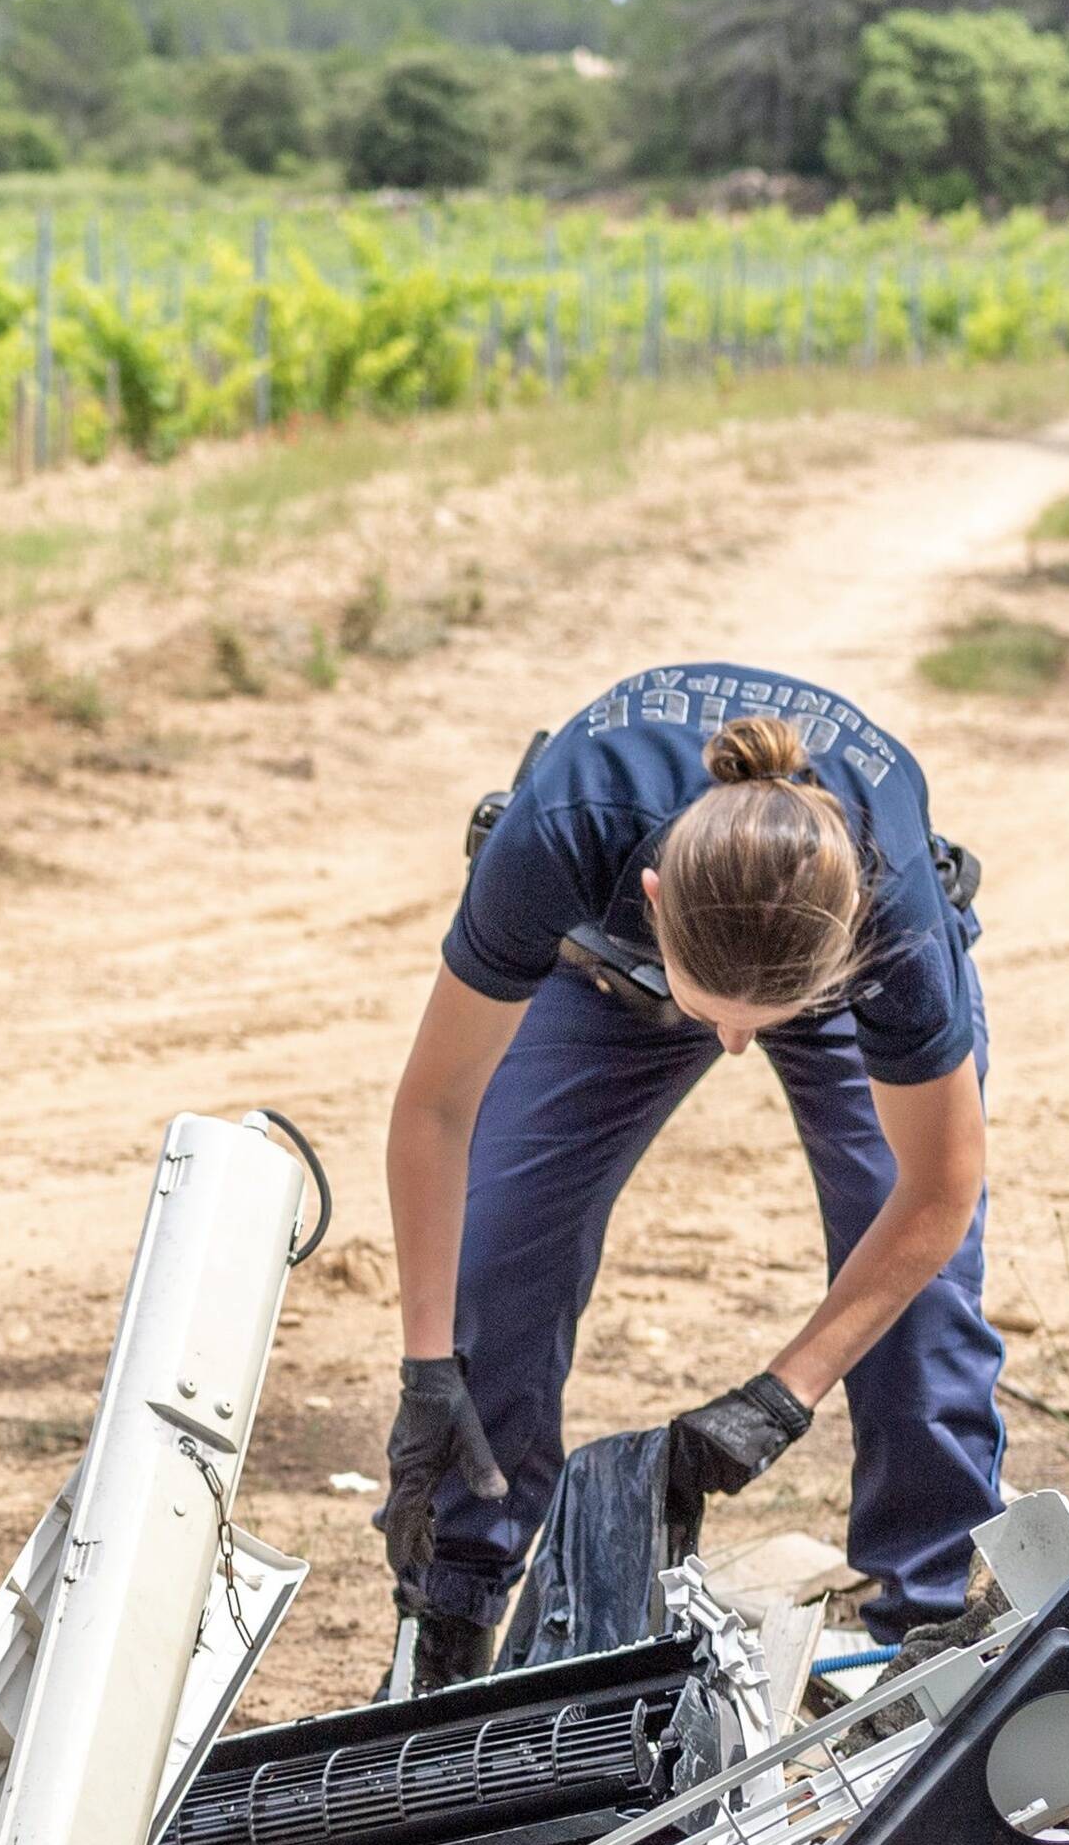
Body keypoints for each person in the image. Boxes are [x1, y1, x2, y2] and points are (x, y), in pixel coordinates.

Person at [376, 664, 1001, 1687]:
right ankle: (445, 1617)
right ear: (654, 895)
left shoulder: (893, 921)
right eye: (714, 1015)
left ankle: (922, 1627)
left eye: (758, 1024)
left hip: (817, 972)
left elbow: (936, 1189)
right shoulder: (561, 834)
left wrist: (781, 1395)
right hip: (609, 972)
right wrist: (424, 1367)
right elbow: (434, 1110)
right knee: (494, 1261)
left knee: (917, 1300)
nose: (731, 1047)